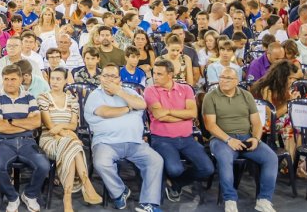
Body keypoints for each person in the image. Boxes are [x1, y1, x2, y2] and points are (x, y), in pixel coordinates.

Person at [83, 64, 163, 212]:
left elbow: (142, 104)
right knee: (101, 163)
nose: (109, 79)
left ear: (119, 79)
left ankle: (150, 203)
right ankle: (120, 192)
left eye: (113, 76)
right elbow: (105, 112)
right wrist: (128, 108)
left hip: (135, 142)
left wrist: (120, 92)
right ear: (100, 78)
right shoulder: (95, 95)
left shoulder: (129, 92)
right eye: (106, 75)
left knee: (156, 160)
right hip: (106, 143)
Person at [203, 67, 278, 212]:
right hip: (221, 139)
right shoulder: (210, 97)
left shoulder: (246, 95)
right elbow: (210, 125)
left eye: (228, 78)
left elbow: (257, 123)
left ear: (236, 81)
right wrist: (228, 140)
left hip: (246, 137)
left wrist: (256, 139)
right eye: (221, 77)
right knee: (225, 159)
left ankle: (264, 200)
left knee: (271, 158)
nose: (223, 80)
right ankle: (230, 200)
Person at [143, 59, 213, 201]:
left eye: (159, 74)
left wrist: (168, 111)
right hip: (162, 139)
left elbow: (192, 113)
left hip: (187, 138)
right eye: (154, 73)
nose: (155, 77)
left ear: (170, 75)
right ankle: (173, 180)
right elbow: (159, 115)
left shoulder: (186, 89)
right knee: (175, 169)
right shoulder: (150, 90)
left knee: (208, 168)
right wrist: (183, 116)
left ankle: (176, 184)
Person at [0, 65, 51, 212]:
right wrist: (25, 123)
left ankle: (29, 194)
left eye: (13, 79)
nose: (9, 82)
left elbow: (36, 122)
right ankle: (12, 197)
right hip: (3, 143)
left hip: (28, 142)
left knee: (44, 166)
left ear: (21, 79)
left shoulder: (29, 97)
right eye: (6, 79)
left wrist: (10, 121)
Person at [37, 68, 102, 212]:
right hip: (49, 139)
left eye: (58, 79)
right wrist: (64, 132)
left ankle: (67, 198)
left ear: (66, 81)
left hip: (66, 139)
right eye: (52, 78)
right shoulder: (43, 97)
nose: (54, 82)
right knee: (74, 145)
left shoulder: (72, 99)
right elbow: (49, 126)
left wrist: (61, 128)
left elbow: (73, 125)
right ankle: (86, 183)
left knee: (70, 148)